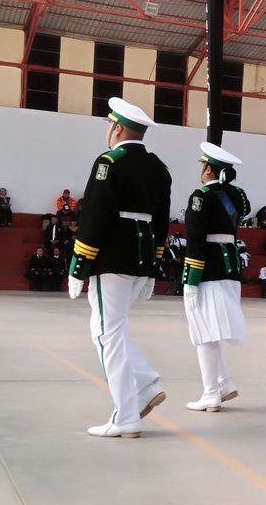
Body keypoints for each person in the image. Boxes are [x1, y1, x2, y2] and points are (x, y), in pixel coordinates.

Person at [67, 97, 171, 439]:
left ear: (117, 128)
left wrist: (79, 264)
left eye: (110, 125)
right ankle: (145, 386)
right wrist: (153, 265)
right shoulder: (159, 168)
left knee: (105, 334)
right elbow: (162, 221)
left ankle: (126, 414)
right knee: (114, 330)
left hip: (111, 257)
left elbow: (95, 215)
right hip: (140, 256)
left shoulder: (109, 162)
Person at [182, 142, 250, 412]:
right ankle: (223, 383)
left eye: (203, 165)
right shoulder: (235, 195)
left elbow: (196, 239)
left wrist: (191, 278)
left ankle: (210, 393)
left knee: (203, 334)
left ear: (209, 169)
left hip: (207, 269)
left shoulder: (201, 196)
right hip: (230, 266)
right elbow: (242, 207)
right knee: (210, 330)